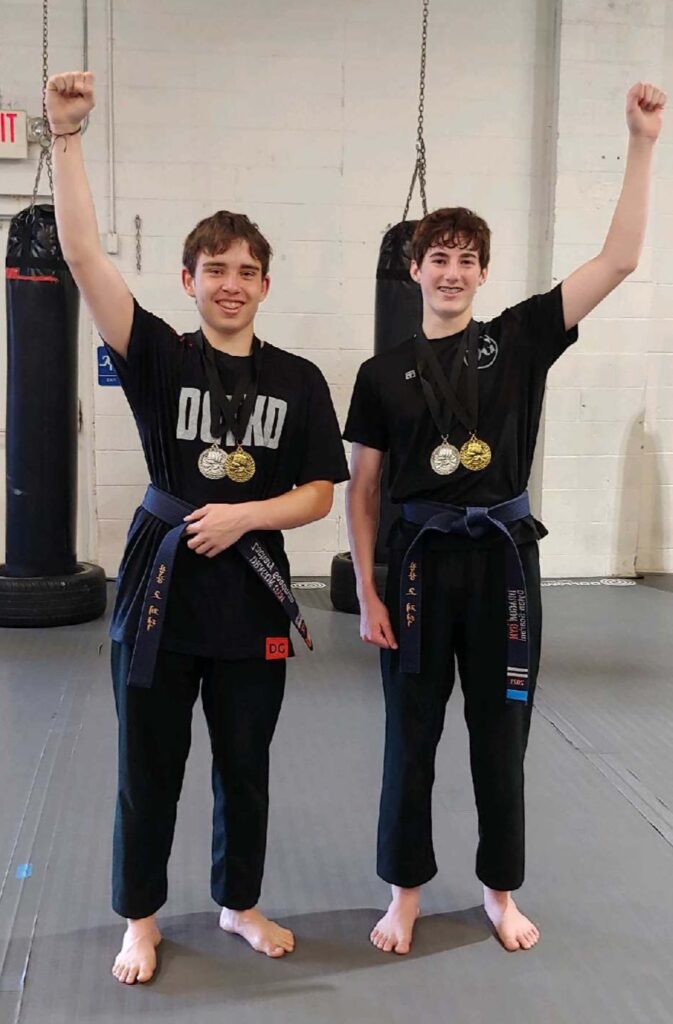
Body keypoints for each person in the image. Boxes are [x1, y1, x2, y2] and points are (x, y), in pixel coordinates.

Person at [344, 82, 666, 955]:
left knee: (502, 731)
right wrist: (370, 590)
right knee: (410, 733)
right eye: (435, 256)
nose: (450, 270)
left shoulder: (518, 338)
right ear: (412, 270)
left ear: (482, 272)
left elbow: (619, 259)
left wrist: (640, 143)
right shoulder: (379, 376)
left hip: (500, 565)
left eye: (465, 257)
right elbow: (362, 492)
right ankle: (403, 891)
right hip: (412, 565)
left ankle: (498, 890)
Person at [46, 70, 349, 984]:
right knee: (151, 764)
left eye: (245, 271)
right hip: (160, 588)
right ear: (188, 279)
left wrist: (246, 516)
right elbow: (88, 259)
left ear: (265, 284)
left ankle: (238, 901)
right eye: (213, 269)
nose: (230, 283)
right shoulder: (159, 357)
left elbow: (319, 494)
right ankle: (140, 917)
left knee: (245, 764)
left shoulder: (297, 380)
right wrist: (64, 136)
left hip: (250, 593)